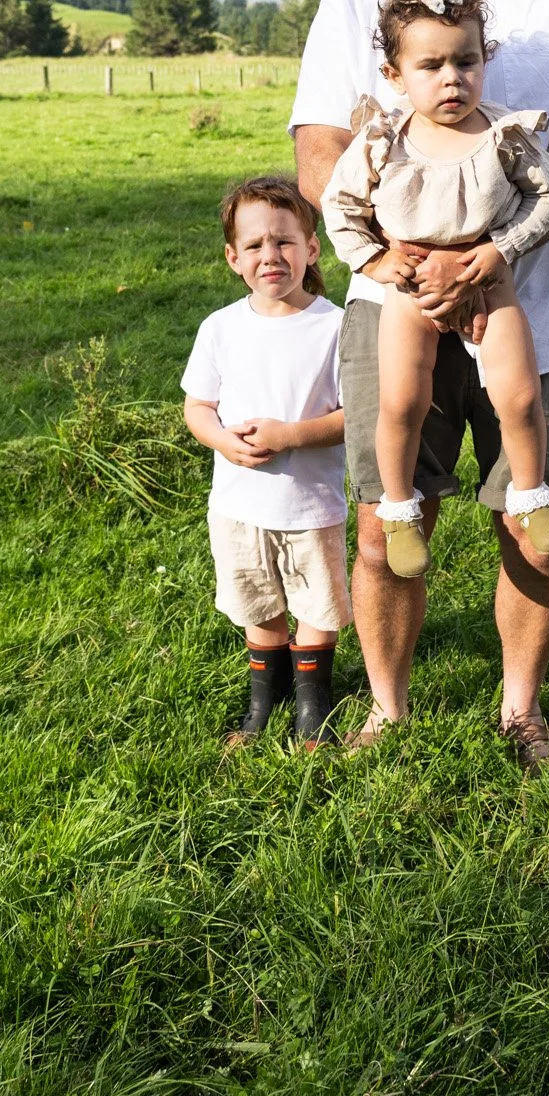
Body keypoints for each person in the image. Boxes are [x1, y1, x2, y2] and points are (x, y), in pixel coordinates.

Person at [291, 0, 549, 766]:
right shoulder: (353, 5)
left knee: (536, 512)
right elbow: (321, 154)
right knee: (392, 510)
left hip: (532, 302)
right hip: (391, 301)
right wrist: (398, 264)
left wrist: (492, 257)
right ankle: (389, 705)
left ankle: (522, 704)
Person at [322, 0, 549, 578]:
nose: (451, 79)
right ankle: (399, 508)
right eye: (430, 66)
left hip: (490, 277)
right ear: (395, 75)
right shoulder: (385, 140)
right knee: (402, 399)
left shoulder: (504, 135)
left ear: (483, 60)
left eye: (465, 62)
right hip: (408, 289)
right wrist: (377, 260)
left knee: (517, 392)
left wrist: (501, 249)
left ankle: (530, 495)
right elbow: (339, 205)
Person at [181, 175, 350, 751]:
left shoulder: (334, 326)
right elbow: (198, 407)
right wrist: (223, 442)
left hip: (310, 503)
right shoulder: (221, 328)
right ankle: (263, 700)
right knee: (258, 599)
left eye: (284, 241)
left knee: (315, 601)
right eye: (254, 246)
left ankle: (313, 707)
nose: (270, 256)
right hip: (237, 505)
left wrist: (293, 435)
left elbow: (358, 415)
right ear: (233, 258)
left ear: (312, 248)